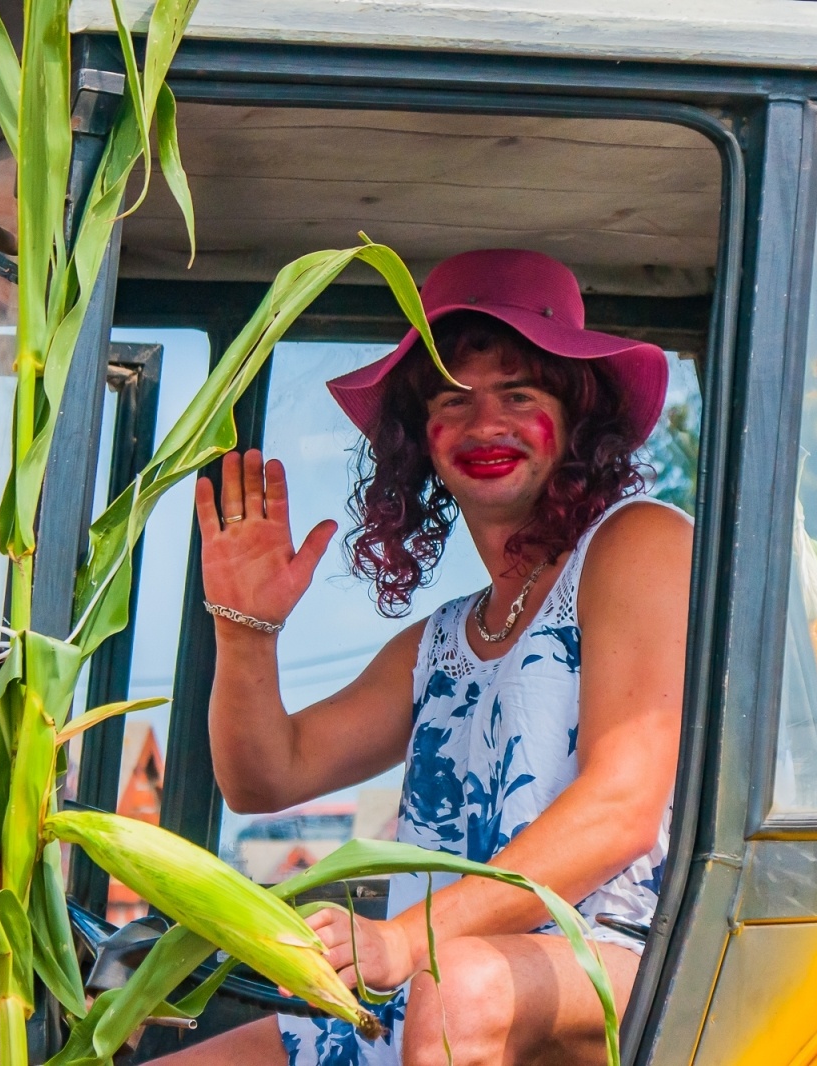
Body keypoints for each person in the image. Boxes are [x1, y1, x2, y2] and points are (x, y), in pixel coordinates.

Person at [169, 248, 692, 1066]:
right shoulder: (447, 640)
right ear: (421, 439)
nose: (485, 424)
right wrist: (245, 631)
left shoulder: (639, 543)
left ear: (578, 418)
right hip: (430, 988)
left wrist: (402, 941)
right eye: (454, 399)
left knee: (465, 991)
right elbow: (266, 776)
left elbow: (620, 807)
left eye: (519, 395)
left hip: (625, 969)